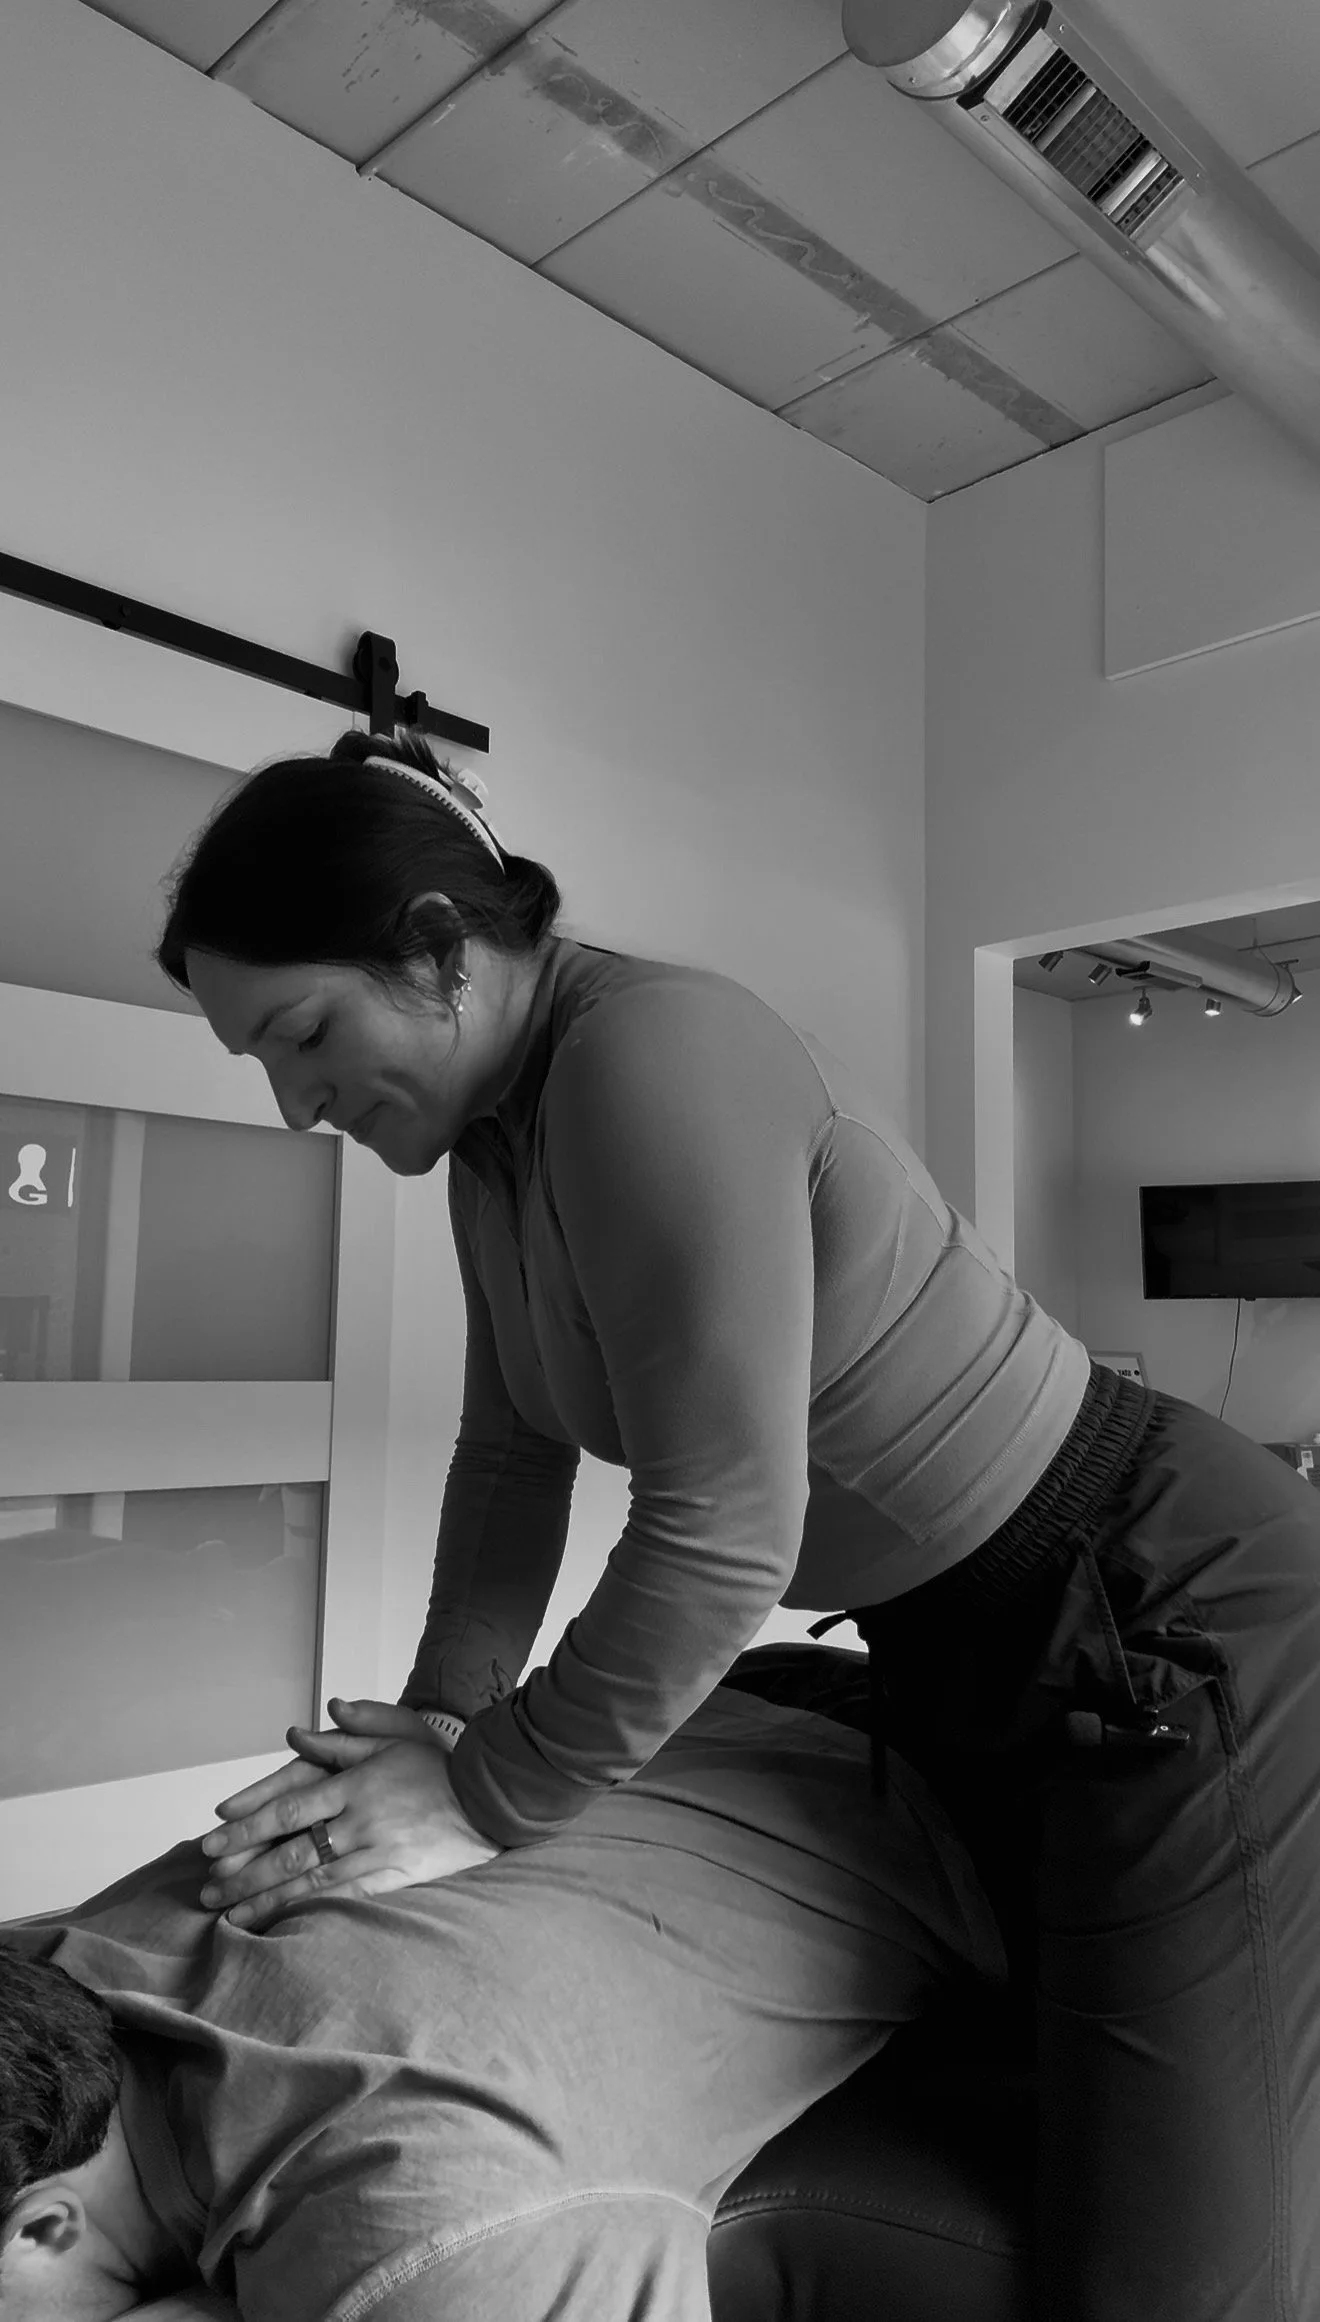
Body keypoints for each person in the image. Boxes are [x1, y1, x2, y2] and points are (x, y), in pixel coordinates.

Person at [154, 725, 1320, 2318]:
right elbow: (510, 1463)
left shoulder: (648, 1053)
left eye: (303, 1033)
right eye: (262, 1063)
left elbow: (718, 1532)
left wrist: (487, 1789)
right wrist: (437, 1716)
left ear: (437, 951)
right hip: (963, 1643)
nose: (297, 1102)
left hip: (1153, 1604)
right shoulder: (491, 1150)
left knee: (1174, 2281)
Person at [0, 1683, 1006, 2322]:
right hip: (734, 1703)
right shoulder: (49, 1964)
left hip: (996, 1822)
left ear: (42, 2230)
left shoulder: (423, 2243)